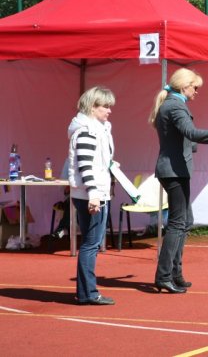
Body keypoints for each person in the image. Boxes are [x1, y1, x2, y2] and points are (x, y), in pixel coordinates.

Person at [149, 68, 208, 294]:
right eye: (195, 87)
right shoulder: (175, 105)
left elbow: (182, 138)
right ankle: (164, 275)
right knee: (178, 223)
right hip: (174, 171)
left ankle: (174, 273)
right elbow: (190, 132)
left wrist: (200, 143)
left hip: (175, 170)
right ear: (184, 86)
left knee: (185, 221)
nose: (197, 92)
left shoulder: (171, 104)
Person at [67, 86, 116, 305]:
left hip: (90, 192)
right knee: (91, 243)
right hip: (91, 193)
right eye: (105, 106)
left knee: (90, 243)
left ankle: (85, 292)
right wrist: (94, 194)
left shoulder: (96, 128)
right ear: (92, 106)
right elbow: (85, 166)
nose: (109, 110)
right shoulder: (87, 129)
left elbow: (94, 162)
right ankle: (88, 293)